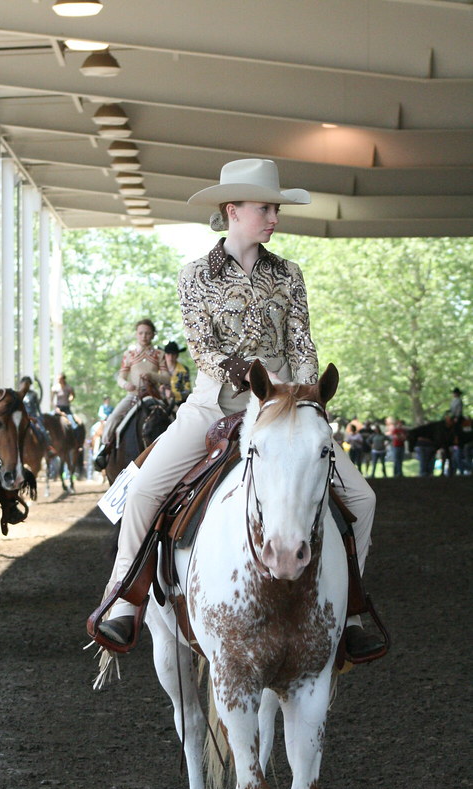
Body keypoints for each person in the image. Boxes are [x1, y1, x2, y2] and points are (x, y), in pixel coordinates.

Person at [92, 158, 382, 660]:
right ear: (233, 210)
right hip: (214, 403)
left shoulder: (288, 274)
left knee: (363, 499)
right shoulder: (195, 275)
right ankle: (123, 598)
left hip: (285, 404)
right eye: (265, 207)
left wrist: (308, 396)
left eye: (274, 208)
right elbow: (202, 346)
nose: (273, 217)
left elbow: (302, 342)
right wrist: (244, 374)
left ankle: (351, 606)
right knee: (142, 492)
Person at [93, 318, 170, 470]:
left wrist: (152, 376)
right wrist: (125, 384)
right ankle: (104, 450)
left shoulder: (159, 354)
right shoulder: (129, 354)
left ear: (153, 335)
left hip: (153, 396)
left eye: (148, 333)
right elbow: (120, 377)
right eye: (141, 333)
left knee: (173, 416)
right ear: (136, 334)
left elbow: (167, 377)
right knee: (114, 418)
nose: (144, 336)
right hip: (133, 395)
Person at [20, 375, 52, 452]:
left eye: (28, 384)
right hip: (23, 417)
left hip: (33, 417)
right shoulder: (19, 394)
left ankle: (47, 448)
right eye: (24, 384)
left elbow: (38, 408)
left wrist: (40, 418)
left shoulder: (33, 394)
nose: (26, 386)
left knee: (43, 430)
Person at [161, 341, 192, 405]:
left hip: (180, 403)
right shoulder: (159, 369)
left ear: (177, 355)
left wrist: (174, 394)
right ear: (165, 355)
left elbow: (187, 391)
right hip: (161, 402)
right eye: (168, 354)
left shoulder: (184, 370)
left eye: (173, 354)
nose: (171, 357)